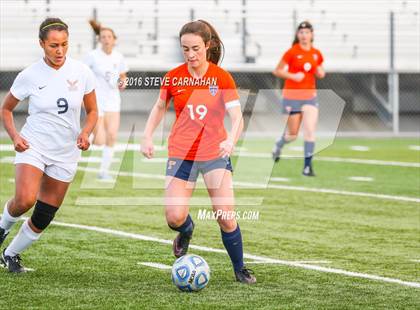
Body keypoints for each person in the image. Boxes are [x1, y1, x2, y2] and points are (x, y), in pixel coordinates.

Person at [141, 20, 256, 284]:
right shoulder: (173, 76)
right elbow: (160, 107)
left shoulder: (221, 77)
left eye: (195, 48)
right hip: (181, 153)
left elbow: (237, 116)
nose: (191, 55)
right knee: (174, 217)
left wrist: (231, 142)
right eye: (185, 49)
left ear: (208, 46)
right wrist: (147, 135)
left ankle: (240, 268)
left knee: (225, 216)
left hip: (214, 152)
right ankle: (186, 229)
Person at [0, 17, 97, 273]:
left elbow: (93, 110)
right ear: (42, 44)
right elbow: (6, 110)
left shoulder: (82, 72)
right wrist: (15, 137)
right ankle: (1, 229)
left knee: (44, 215)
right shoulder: (29, 75)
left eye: (64, 44)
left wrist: (86, 132)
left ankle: (11, 254)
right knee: (24, 200)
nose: (60, 51)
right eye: (54, 45)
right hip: (34, 146)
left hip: (66, 153)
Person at [272, 21, 325, 176]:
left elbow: (320, 70)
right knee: (292, 135)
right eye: (301, 33)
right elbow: (277, 70)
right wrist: (293, 76)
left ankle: (307, 167)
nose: (304, 35)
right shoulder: (292, 52)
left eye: (307, 32)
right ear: (297, 35)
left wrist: (321, 72)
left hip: (310, 97)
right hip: (291, 97)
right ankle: (279, 144)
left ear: (312, 34)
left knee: (309, 131)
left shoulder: (316, 53)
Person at [84, 20, 128, 180]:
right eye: (103, 36)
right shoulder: (92, 56)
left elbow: (123, 76)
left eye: (109, 36)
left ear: (114, 39)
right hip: (96, 101)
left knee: (112, 137)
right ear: (99, 39)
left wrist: (123, 82)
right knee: (99, 140)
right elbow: (83, 75)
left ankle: (104, 172)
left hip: (113, 102)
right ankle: (85, 136)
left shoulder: (119, 56)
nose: (106, 39)